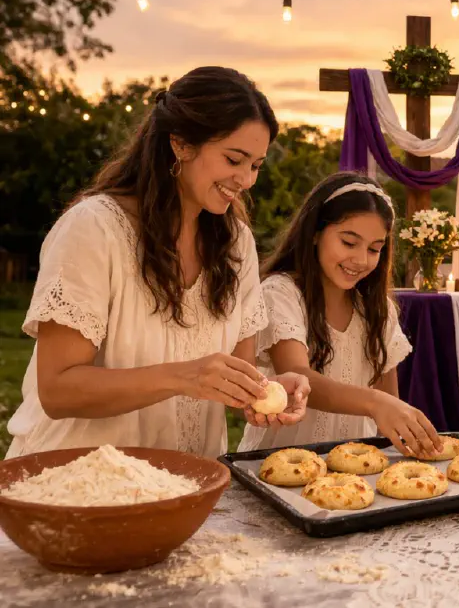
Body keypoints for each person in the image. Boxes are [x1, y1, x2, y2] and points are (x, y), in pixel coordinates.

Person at [5, 66, 309, 459]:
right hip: (77, 482)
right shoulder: (94, 228)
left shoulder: (236, 244)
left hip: (188, 485)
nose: (247, 180)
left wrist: (265, 390)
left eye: (255, 165)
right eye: (234, 159)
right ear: (181, 144)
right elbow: (58, 390)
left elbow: (237, 370)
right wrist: (185, 377)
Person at [237, 172, 442, 456]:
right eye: (348, 242)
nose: (360, 259)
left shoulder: (377, 309)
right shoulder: (281, 293)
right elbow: (296, 374)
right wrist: (374, 402)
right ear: (316, 233)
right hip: (280, 461)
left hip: (355, 472)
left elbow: (389, 401)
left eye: (374, 249)